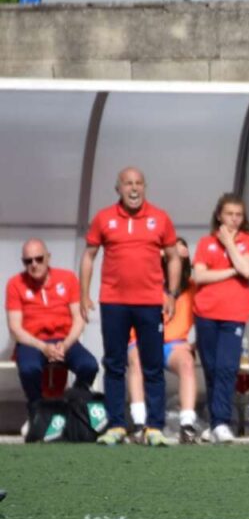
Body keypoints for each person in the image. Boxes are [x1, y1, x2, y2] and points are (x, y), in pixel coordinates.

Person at [82, 167, 180, 447]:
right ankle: (116, 426)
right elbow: (89, 256)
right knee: (114, 364)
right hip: (114, 302)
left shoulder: (160, 218)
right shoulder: (104, 218)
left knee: (152, 366)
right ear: (118, 189)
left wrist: (171, 293)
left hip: (150, 303)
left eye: (138, 183)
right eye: (128, 184)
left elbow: (174, 257)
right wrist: (83, 295)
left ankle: (155, 427)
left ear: (145, 187)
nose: (134, 189)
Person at [193, 193, 249, 444]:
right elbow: (199, 277)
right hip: (205, 313)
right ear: (219, 215)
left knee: (226, 368)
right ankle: (214, 423)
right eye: (229, 214)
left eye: (238, 215)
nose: (233, 219)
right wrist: (232, 270)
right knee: (211, 369)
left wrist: (230, 244)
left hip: (233, 315)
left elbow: (247, 268)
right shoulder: (205, 243)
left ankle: (222, 421)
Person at [6, 239, 98, 417]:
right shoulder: (15, 284)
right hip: (33, 342)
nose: (34, 264)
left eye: (39, 259)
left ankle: (74, 403)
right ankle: (38, 411)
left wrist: (65, 344)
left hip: (64, 339)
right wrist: (43, 347)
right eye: (28, 261)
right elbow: (15, 328)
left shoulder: (67, 278)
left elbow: (78, 319)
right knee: (29, 369)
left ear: (48, 258)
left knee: (89, 365)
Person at [127, 238, 199, 444]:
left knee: (187, 362)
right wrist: (164, 253)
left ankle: (187, 425)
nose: (172, 263)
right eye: (168, 258)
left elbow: (213, 312)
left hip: (174, 344)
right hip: (144, 339)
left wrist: (196, 344)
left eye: (176, 259)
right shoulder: (149, 281)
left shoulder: (192, 287)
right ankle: (139, 423)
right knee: (135, 359)